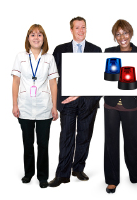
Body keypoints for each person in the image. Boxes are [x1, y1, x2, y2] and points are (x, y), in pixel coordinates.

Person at [48, 16, 102, 187]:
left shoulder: (95, 50)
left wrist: (87, 95)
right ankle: (62, 174)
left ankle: (78, 168)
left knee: (85, 136)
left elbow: (100, 78)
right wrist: (54, 103)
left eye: (83, 27)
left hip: (88, 102)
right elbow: (52, 78)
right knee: (66, 137)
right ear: (71, 30)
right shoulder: (60, 50)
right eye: (77, 28)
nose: (81, 31)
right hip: (67, 102)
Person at [11, 24, 59, 188]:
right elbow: (16, 81)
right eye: (33, 34)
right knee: (27, 143)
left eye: (39, 35)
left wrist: (54, 106)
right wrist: (14, 104)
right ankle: (28, 173)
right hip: (24, 106)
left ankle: (43, 176)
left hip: (44, 107)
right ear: (28, 38)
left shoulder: (49, 58)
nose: (36, 37)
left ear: (43, 39)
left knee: (43, 144)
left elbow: (53, 83)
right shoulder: (20, 57)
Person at [104, 19, 137, 194]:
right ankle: (112, 180)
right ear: (115, 37)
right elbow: (102, 78)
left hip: (131, 105)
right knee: (111, 142)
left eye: (125, 33)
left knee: (131, 141)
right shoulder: (108, 52)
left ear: (131, 33)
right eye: (118, 34)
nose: (122, 37)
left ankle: (136, 174)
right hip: (111, 105)